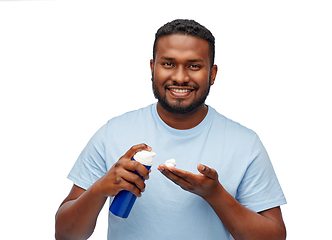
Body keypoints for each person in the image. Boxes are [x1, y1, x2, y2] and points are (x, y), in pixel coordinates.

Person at [55, 19, 287, 240]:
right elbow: (65, 234)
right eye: (168, 64)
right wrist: (98, 190)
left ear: (212, 74)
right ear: (152, 68)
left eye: (194, 66)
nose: (180, 77)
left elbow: (274, 237)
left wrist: (215, 195)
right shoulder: (112, 133)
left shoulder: (245, 144)